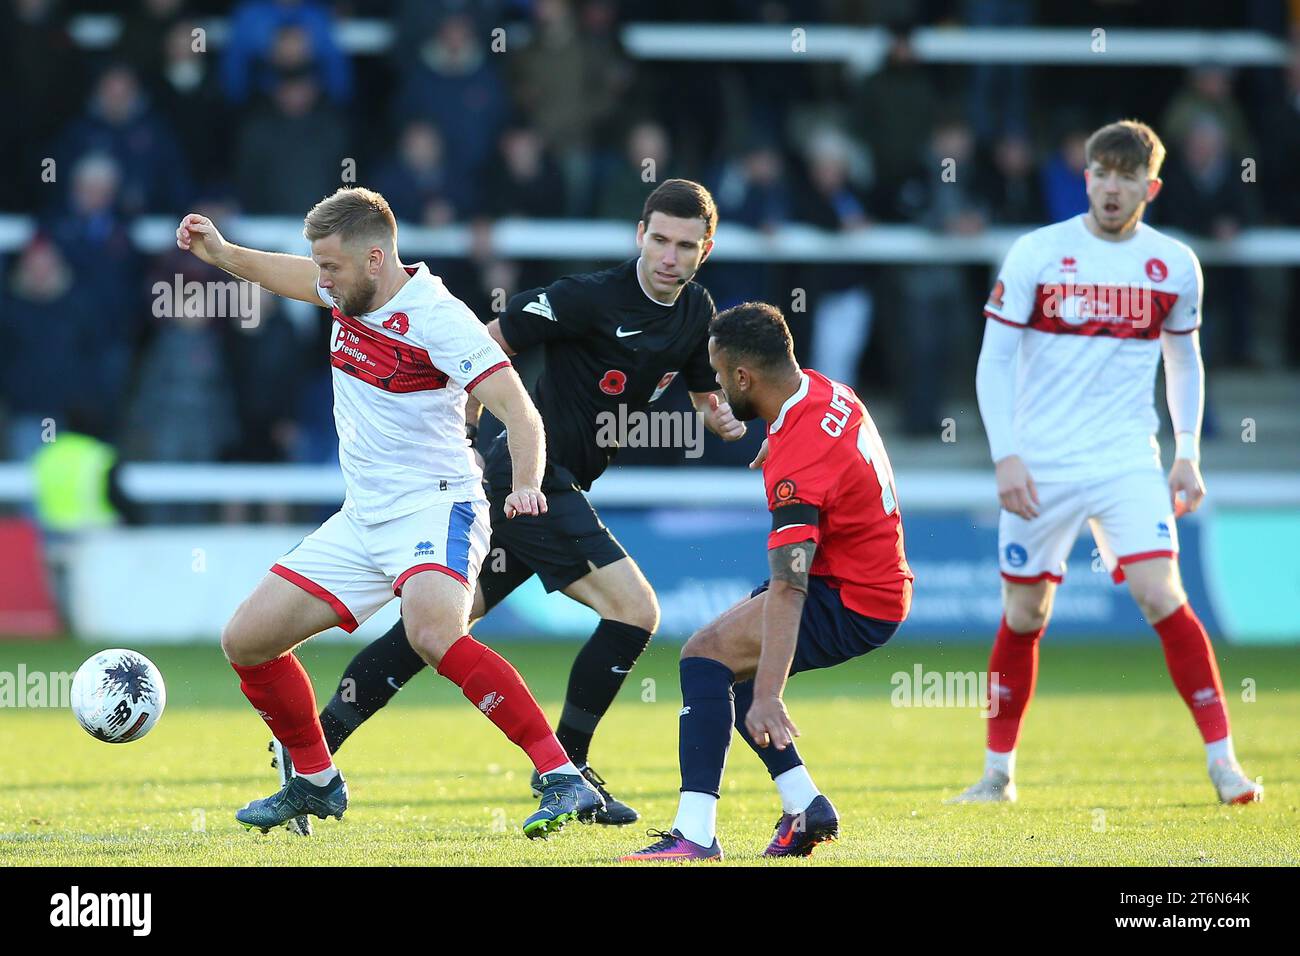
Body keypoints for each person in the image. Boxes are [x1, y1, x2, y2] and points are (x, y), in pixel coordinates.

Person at [308, 179, 746, 829]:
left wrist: (724, 420)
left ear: (704, 251)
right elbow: (486, 342)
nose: (667, 256)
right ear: (639, 235)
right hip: (532, 479)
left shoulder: (696, 311)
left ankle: (311, 750)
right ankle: (569, 769)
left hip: (538, 490)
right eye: (658, 239)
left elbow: (707, 397)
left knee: (438, 634)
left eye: (684, 246)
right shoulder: (585, 298)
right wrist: (468, 426)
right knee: (635, 611)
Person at [175, 186, 604, 839]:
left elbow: (520, 412)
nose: (320, 280)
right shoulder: (343, 288)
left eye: (331, 267)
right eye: (317, 266)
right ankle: (316, 782)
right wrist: (223, 252)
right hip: (364, 517)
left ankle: (561, 777)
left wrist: (523, 485)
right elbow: (281, 273)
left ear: (375, 259)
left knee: (433, 633)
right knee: (247, 641)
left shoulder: (440, 319)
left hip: (438, 504)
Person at [950, 120, 1262, 807]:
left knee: (1161, 595)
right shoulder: (1037, 251)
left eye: (1127, 177)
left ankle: (1224, 764)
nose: (1112, 188)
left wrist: (1187, 454)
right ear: (1085, 177)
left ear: (1150, 187)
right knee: (1027, 613)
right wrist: (1005, 456)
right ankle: (997, 774)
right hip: (1042, 461)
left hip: (1126, 458)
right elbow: (995, 359)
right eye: (1102, 173)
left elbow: (1184, 359)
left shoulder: (1175, 264)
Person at [620, 302, 914, 861]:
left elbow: (790, 585)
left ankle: (696, 834)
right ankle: (806, 805)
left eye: (716, 372)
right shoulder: (827, 391)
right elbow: (835, 453)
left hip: (850, 597)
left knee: (702, 656)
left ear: (743, 377)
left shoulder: (798, 464)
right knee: (726, 672)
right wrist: (778, 441)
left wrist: (771, 694)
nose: (713, 384)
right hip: (868, 582)